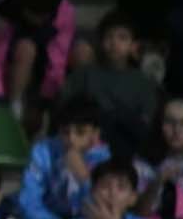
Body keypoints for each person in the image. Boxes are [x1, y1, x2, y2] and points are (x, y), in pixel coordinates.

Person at [18, 96, 113, 219]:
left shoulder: (105, 160)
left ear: (95, 134)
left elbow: (102, 209)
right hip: (48, 217)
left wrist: (84, 177)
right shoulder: (43, 150)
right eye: (65, 132)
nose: (71, 139)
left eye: (80, 132)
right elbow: (28, 201)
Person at [0, 0, 76, 134]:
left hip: (45, 71)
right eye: (33, 14)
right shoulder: (8, 7)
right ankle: (15, 108)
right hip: (14, 65)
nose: (38, 19)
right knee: (26, 48)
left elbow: (57, 60)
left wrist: (44, 99)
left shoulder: (65, 12)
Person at [60, 11, 161, 157]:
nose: (114, 43)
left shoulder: (143, 82)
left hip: (126, 148)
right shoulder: (84, 75)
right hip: (86, 145)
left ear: (134, 45)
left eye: (122, 38)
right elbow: (66, 110)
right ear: (100, 41)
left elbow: (146, 124)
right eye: (109, 37)